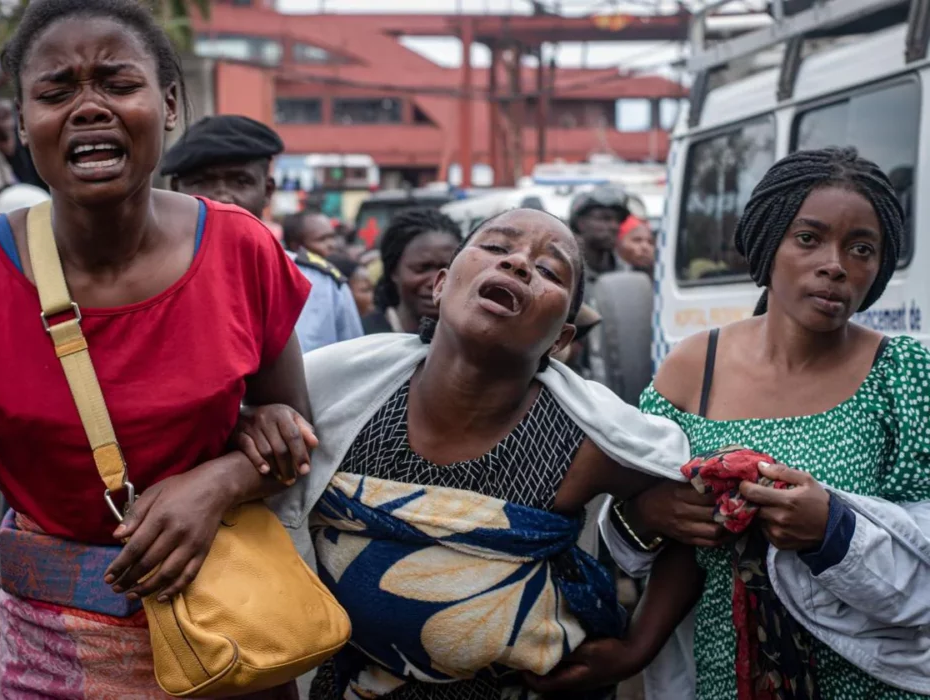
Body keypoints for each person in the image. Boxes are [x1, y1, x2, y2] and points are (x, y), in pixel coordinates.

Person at [0, 1, 314, 698]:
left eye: (116, 82)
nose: (88, 106)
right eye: (56, 91)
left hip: (230, 640)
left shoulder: (242, 249)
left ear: (168, 104)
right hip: (53, 655)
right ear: (20, 121)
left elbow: (291, 437)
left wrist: (217, 481)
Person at [241, 208, 702, 700]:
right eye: (497, 248)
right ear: (440, 286)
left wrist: (638, 646)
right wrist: (252, 426)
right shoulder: (335, 391)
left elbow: (700, 518)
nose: (520, 264)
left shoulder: (586, 439)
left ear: (563, 340)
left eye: (549, 271)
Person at [590, 148, 930, 699]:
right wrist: (654, 513)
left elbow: (921, 549)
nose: (836, 264)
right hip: (728, 678)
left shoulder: (904, 374)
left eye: (861, 248)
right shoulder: (691, 370)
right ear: (769, 239)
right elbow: (638, 526)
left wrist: (832, 532)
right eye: (808, 238)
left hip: (880, 681)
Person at [162, 114, 363, 354]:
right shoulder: (148, 283)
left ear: (267, 191)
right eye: (202, 182)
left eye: (240, 181)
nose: (223, 197)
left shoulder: (322, 288)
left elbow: (353, 386)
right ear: (175, 190)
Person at [362, 207, 461, 335]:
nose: (436, 282)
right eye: (422, 269)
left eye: (447, 269)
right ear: (393, 271)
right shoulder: (362, 339)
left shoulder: (474, 341)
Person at [568, 185, 631, 383]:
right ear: (580, 223)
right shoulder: (566, 277)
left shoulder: (628, 276)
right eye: (604, 218)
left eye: (616, 220)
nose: (613, 226)